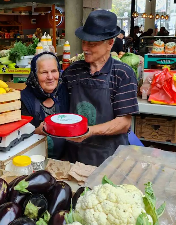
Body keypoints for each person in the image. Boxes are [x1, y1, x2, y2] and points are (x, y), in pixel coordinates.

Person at [63, 10, 139, 166]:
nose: (85, 48)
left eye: (92, 44)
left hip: (109, 157)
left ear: (110, 43)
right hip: (73, 154)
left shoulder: (123, 74)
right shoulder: (72, 71)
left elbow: (124, 123)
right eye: (84, 41)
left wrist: (89, 131)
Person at [21, 52, 69, 159]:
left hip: (66, 159)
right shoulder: (24, 99)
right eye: (44, 72)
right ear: (34, 75)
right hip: (36, 159)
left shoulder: (64, 91)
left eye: (54, 71)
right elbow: (22, 137)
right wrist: (38, 131)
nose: (50, 77)